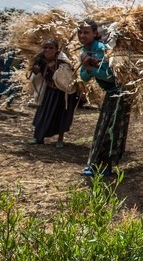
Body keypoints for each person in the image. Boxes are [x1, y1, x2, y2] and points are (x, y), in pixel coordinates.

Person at [77, 19, 131, 176]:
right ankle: (95, 165)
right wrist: (88, 68)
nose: (82, 35)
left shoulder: (102, 50)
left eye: (86, 32)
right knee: (102, 129)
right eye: (80, 32)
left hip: (120, 92)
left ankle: (106, 167)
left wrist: (90, 69)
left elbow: (111, 76)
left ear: (95, 34)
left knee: (112, 129)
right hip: (111, 93)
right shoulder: (84, 52)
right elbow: (83, 77)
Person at [28, 39, 79, 147]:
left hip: (62, 92)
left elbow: (66, 77)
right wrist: (35, 70)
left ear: (57, 49)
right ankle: (38, 138)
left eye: (51, 48)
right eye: (45, 47)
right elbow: (35, 74)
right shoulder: (40, 58)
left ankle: (60, 140)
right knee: (43, 113)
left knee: (61, 114)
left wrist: (54, 70)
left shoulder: (62, 60)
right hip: (49, 90)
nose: (47, 50)